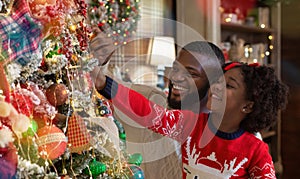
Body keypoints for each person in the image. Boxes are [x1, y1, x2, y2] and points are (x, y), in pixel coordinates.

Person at [90, 61, 289, 178]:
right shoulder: (191, 124)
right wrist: (105, 84)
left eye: (229, 85)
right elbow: (149, 113)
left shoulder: (256, 151)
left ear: (248, 106)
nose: (216, 86)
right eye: (218, 80)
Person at [90, 34, 225, 178]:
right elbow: (105, 83)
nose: (176, 77)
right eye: (176, 68)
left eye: (192, 74)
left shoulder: (220, 136)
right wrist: (101, 61)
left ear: (214, 83)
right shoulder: (150, 98)